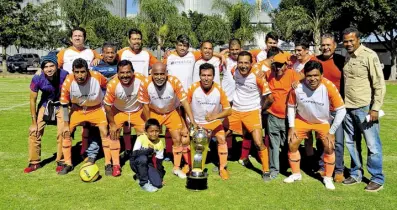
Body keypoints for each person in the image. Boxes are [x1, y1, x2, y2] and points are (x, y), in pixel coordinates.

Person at [284, 60, 346, 190]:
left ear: (321, 75)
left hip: (323, 122)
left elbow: (341, 110)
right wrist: (292, 126)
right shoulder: (297, 88)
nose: (312, 79)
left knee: (329, 146)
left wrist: (332, 131)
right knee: (292, 143)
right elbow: (290, 106)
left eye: (316, 75)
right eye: (309, 76)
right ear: (304, 75)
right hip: (302, 120)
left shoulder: (328, 86)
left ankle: (328, 178)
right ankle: (296, 174)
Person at [342, 27, 386, 192]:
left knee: (372, 145)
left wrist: (375, 109)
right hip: (348, 108)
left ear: (358, 39)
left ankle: (377, 178)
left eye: (351, 40)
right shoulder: (347, 56)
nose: (348, 43)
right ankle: (356, 173)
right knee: (351, 143)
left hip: (365, 108)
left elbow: (379, 84)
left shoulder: (369, 55)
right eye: (346, 41)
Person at [138, 62, 198, 179]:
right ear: (151, 74)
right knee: (151, 138)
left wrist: (192, 121)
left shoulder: (174, 81)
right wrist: (149, 123)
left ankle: (176, 167)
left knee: (177, 138)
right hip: (154, 112)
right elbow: (144, 105)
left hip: (171, 112)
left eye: (162, 74)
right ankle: (152, 164)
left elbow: (185, 102)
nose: (159, 77)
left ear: (167, 73)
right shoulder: (145, 83)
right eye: (156, 74)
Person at [228, 51, 273, 181]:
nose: (243, 66)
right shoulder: (233, 70)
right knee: (222, 135)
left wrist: (260, 108)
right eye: (240, 62)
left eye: (246, 63)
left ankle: (265, 170)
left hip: (252, 111)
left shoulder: (258, 76)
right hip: (236, 110)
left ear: (251, 63)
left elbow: (270, 98)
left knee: (258, 142)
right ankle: (221, 163)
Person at [59, 58, 109, 175]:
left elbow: (108, 87)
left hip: (96, 109)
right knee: (66, 132)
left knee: (104, 132)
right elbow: (65, 105)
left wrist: (105, 102)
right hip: (78, 110)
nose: (80, 75)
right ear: (73, 71)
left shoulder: (97, 76)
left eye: (83, 72)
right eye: (77, 72)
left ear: (88, 71)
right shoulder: (68, 81)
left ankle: (108, 163)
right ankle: (68, 163)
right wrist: (66, 125)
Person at [24, 56, 69, 173]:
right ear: (42, 68)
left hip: (62, 104)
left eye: (52, 66)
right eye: (46, 67)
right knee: (34, 131)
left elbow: (70, 96)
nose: (49, 69)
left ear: (57, 66)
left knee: (63, 132)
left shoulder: (65, 75)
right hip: (45, 104)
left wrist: (66, 120)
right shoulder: (37, 78)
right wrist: (34, 122)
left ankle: (62, 160)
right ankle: (34, 162)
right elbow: (32, 100)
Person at [187, 63, 232, 180]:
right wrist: (191, 122)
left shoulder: (219, 89)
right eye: (203, 75)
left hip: (213, 122)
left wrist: (214, 116)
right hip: (196, 122)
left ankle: (222, 168)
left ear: (213, 76)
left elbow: (228, 110)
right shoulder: (193, 88)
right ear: (199, 76)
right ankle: (188, 166)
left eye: (209, 75)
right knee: (184, 139)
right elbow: (184, 105)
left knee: (222, 138)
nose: (206, 78)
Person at [103, 60, 146, 177]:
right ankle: (115, 164)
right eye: (122, 73)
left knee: (144, 135)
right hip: (119, 111)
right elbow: (107, 105)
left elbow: (148, 99)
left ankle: (142, 161)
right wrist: (112, 124)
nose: (125, 75)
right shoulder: (112, 84)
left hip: (137, 111)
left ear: (133, 72)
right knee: (113, 134)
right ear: (117, 73)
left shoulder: (142, 80)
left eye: (128, 72)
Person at [313, 33, 346, 183]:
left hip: (336, 108)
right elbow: (304, 75)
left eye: (328, 45)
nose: (326, 47)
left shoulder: (342, 60)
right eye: (323, 45)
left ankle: (339, 170)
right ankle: (322, 166)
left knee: (337, 141)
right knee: (321, 140)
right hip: (320, 109)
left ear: (334, 46)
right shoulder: (315, 60)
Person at [264, 53, 300, 179]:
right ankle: (274, 169)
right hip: (273, 115)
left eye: (281, 65)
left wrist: (298, 81)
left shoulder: (292, 74)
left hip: (288, 117)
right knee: (273, 144)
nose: (278, 68)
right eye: (276, 65)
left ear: (287, 65)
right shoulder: (269, 74)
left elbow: (305, 75)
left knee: (287, 143)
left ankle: (285, 165)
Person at [131, 118, 165, 192]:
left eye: (157, 131)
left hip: (149, 164)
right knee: (143, 159)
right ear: (146, 132)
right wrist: (148, 151)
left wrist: (160, 177)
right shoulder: (141, 138)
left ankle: (141, 175)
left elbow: (158, 162)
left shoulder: (160, 143)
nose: (154, 134)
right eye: (151, 131)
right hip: (136, 162)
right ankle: (144, 183)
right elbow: (134, 154)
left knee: (158, 184)